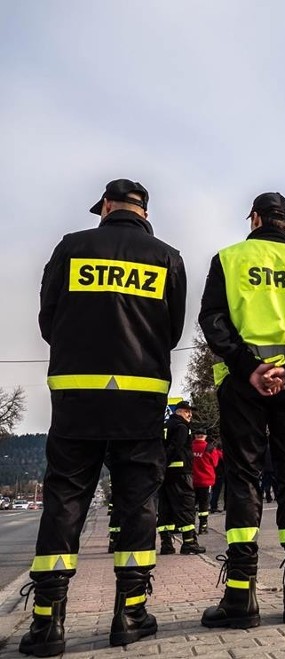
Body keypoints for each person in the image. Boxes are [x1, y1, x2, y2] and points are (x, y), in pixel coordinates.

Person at [22, 178, 186, 655]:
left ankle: (47, 624)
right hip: (140, 396)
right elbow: (171, 331)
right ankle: (131, 614)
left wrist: (81, 349)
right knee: (137, 501)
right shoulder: (167, 256)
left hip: (77, 394)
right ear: (144, 213)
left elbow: (47, 319)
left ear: (108, 207)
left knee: (65, 499)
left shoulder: (72, 247)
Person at [198, 192, 285, 628]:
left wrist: (248, 366)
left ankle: (241, 597)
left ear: (255, 218)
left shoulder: (229, 258)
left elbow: (212, 319)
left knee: (243, 477)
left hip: (243, 385)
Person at [157, 401, 205, 555]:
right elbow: (175, 447)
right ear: (178, 411)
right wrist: (166, 462)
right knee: (185, 505)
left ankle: (166, 544)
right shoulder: (181, 427)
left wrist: (160, 466)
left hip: (165, 475)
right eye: (186, 411)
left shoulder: (164, 426)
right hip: (180, 473)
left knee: (166, 508)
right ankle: (189, 543)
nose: (189, 414)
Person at [192, 429, 221, 535]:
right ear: (205, 436)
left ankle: (190, 527)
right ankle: (203, 527)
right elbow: (215, 463)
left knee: (191, 505)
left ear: (195, 436)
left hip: (192, 480)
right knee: (204, 505)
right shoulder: (209, 448)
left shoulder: (190, 447)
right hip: (206, 480)